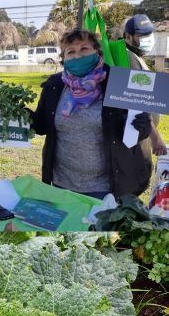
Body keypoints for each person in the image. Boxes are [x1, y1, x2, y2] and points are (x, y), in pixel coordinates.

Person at [30, 28, 152, 199]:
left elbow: (137, 134)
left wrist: (140, 125)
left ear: (97, 51)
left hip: (105, 187)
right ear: (63, 58)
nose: (78, 56)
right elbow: (42, 125)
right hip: (61, 184)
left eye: (84, 49)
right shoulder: (55, 85)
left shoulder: (118, 83)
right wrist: (21, 117)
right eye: (70, 52)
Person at [123, 14, 166, 161]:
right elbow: (137, 101)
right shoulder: (130, 57)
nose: (149, 38)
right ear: (128, 37)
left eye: (149, 34)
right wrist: (156, 137)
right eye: (142, 35)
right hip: (138, 133)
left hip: (142, 132)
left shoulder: (136, 56)